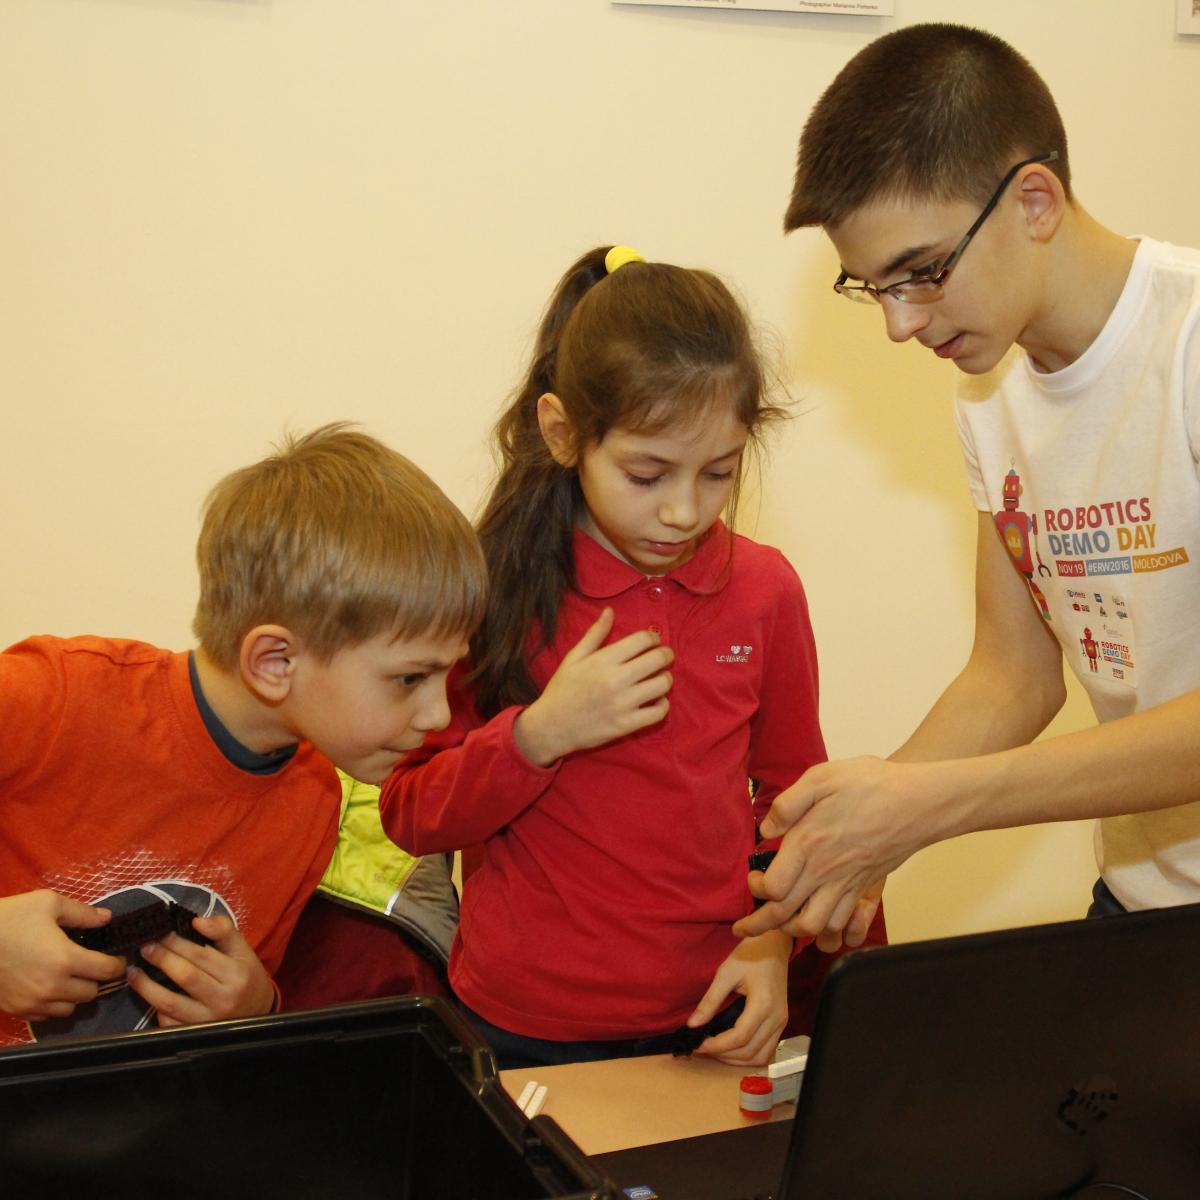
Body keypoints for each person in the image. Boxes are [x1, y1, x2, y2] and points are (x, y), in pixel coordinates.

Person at [734, 22, 1200, 947]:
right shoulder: (990, 394)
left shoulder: (1187, 346)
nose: (901, 325)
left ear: (1035, 201)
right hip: (1146, 907)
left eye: (922, 273)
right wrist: (856, 840)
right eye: (874, 288)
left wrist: (935, 803)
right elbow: (1012, 676)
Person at [381, 244, 876, 1071]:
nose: (682, 511)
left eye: (718, 473)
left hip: (712, 1009)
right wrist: (537, 736)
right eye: (646, 474)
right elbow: (412, 812)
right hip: (522, 1021)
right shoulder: (495, 588)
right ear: (564, 434)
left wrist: (771, 946)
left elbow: (793, 804)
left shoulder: (763, 590)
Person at [0, 423, 486, 1046]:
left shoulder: (313, 798)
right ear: (275, 663)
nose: (439, 716)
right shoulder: (49, 701)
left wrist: (258, 1005)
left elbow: (236, 1016)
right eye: (411, 677)